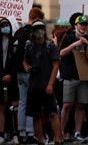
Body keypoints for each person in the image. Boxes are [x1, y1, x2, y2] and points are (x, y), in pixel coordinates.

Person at [23, 20, 63, 145]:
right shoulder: (29, 46)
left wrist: (50, 83)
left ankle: (57, 139)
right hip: (34, 84)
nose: (39, 31)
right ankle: (40, 141)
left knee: (52, 112)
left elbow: (56, 65)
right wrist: (27, 67)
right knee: (36, 114)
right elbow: (24, 61)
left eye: (41, 28)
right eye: (36, 29)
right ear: (32, 32)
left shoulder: (50, 46)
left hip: (46, 84)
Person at [59, 15, 88, 143]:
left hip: (84, 77)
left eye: (85, 25)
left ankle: (77, 132)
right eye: (81, 24)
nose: (83, 27)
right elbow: (61, 53)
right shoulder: (68, 37)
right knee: (67, 104)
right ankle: (61, 132)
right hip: (70, 76)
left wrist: (87, 46)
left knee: (81, 105)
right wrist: (75, 44)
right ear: (76, 25)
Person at [12, 8, 43, 144]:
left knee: (22, 102)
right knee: (32, 103)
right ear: (37, 18)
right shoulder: (35, 32)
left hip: (19, 71)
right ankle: (31, 132)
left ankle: (21, 131)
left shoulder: (18, 32)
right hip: (31, 71)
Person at [0, 19, 17, 143]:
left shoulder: (14, 42)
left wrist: (10, 75)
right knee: (1, 106)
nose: (5, 27)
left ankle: (14, 132)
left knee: (13, 106)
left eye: (7, 25)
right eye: (3, 26)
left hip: (12, 78)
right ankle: (1, 133)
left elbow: (16, 61)